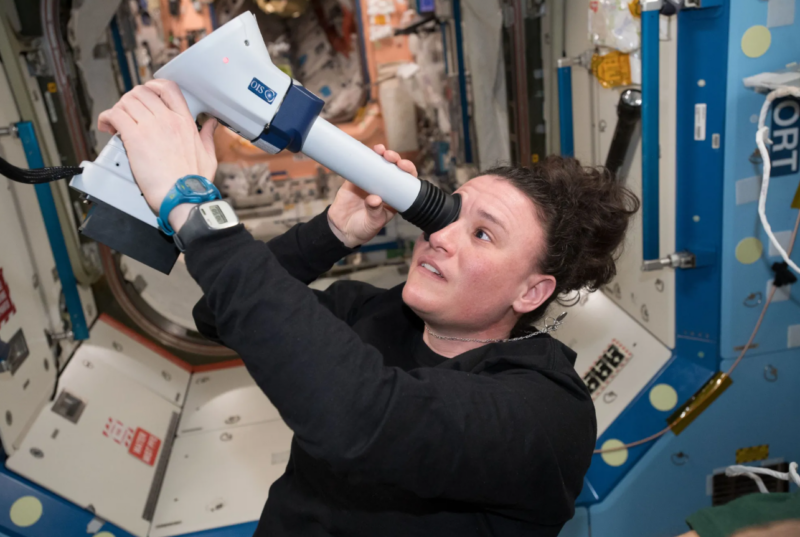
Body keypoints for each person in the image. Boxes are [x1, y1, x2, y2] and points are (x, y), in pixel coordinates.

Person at [98, 80, 639, 537]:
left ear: (531, 293)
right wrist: (333, 232)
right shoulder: (372, 311)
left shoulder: (546, 411)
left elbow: (362, 417)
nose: (439, 235)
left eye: (482, 234)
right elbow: (218, 317)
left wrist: (193, 206)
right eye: (449, 212)